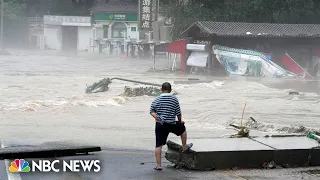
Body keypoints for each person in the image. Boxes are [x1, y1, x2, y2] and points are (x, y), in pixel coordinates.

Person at [150, 82, 193, 171]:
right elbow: (178, 112)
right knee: (183, 129)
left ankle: (159, 166)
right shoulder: (174, 99)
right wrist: (180, 121)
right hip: (171, 123)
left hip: (160, 124)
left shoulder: (157, 99)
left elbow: (151, 111)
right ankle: (184, 146)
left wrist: (158, 118)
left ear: (161, 90)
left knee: (158, 145)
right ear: (170, 90)